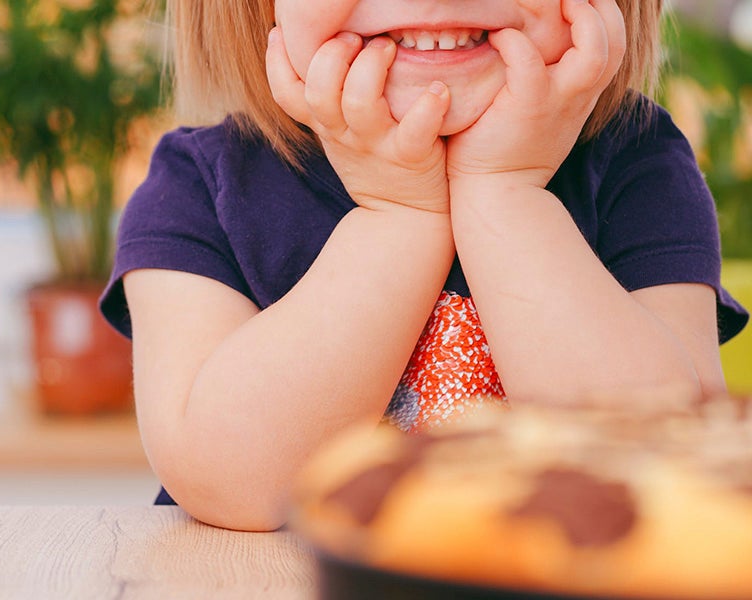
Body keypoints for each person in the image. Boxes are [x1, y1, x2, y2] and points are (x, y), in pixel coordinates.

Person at [99, 0, 750, 532]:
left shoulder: (639, 165)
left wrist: (506, 192)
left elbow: (664, 465)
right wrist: (397, 217)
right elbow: (229, 482)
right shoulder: (197, 185)